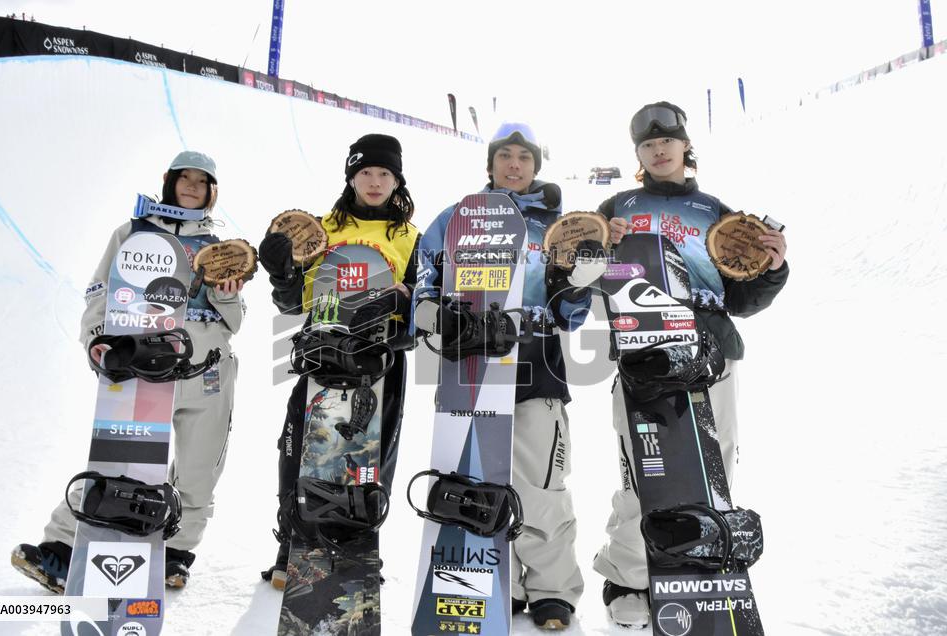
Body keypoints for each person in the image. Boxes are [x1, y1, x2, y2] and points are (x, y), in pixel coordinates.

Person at [593, 101, 790, 628]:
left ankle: (703, 574)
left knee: (713, 467)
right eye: (647, 145)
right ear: (638, 154)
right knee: (644, 469)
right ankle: (631, 576)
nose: (658, 151)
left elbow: (742, 297)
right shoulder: (615, 206)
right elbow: (584, 279)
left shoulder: (715, 212)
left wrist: (772, 266)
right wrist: (594, 249)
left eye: (667, 142)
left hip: (710, 352)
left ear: (685, 147)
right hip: (643, 354)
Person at [11, 150, 244, 592]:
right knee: (120, 462)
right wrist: (97, 340)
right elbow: (100, 293)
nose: (192, 187)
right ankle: (60, 549)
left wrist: (228, 294)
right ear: (169, 181)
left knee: (198, 472)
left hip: (208, 370)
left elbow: (236, 321)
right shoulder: (133, 233)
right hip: (145, 365)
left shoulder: (222, 244)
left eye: (202, 181)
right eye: (184, 178)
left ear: (213, 191)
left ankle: (174, 553)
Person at [413, 122, 606, 631]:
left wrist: (580, 287)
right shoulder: (461, 217)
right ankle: (496, 579)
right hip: (470, 363)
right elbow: (424, 269)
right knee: (472, 476)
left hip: (535, 363)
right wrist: (429, 310)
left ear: (536, 166)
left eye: (524, 157)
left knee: (541, 487)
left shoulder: (558, 226)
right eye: (506, 156)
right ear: (491, 164)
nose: (514, 165)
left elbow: (569, 314)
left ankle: (550, 590)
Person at [258, 133, 420, 586]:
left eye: (384, 173)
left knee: (366, 457)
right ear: (351, 176)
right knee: (303, 450)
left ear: (397, 180)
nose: (374, 181)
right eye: (365, 171)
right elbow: (292, 304)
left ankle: (355, 548)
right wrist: (282, 272)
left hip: (379, 360)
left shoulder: (411, 237)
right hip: (322, 353)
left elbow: (419, 313)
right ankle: (294, 544)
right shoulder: (318, 228)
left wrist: (408, 302)